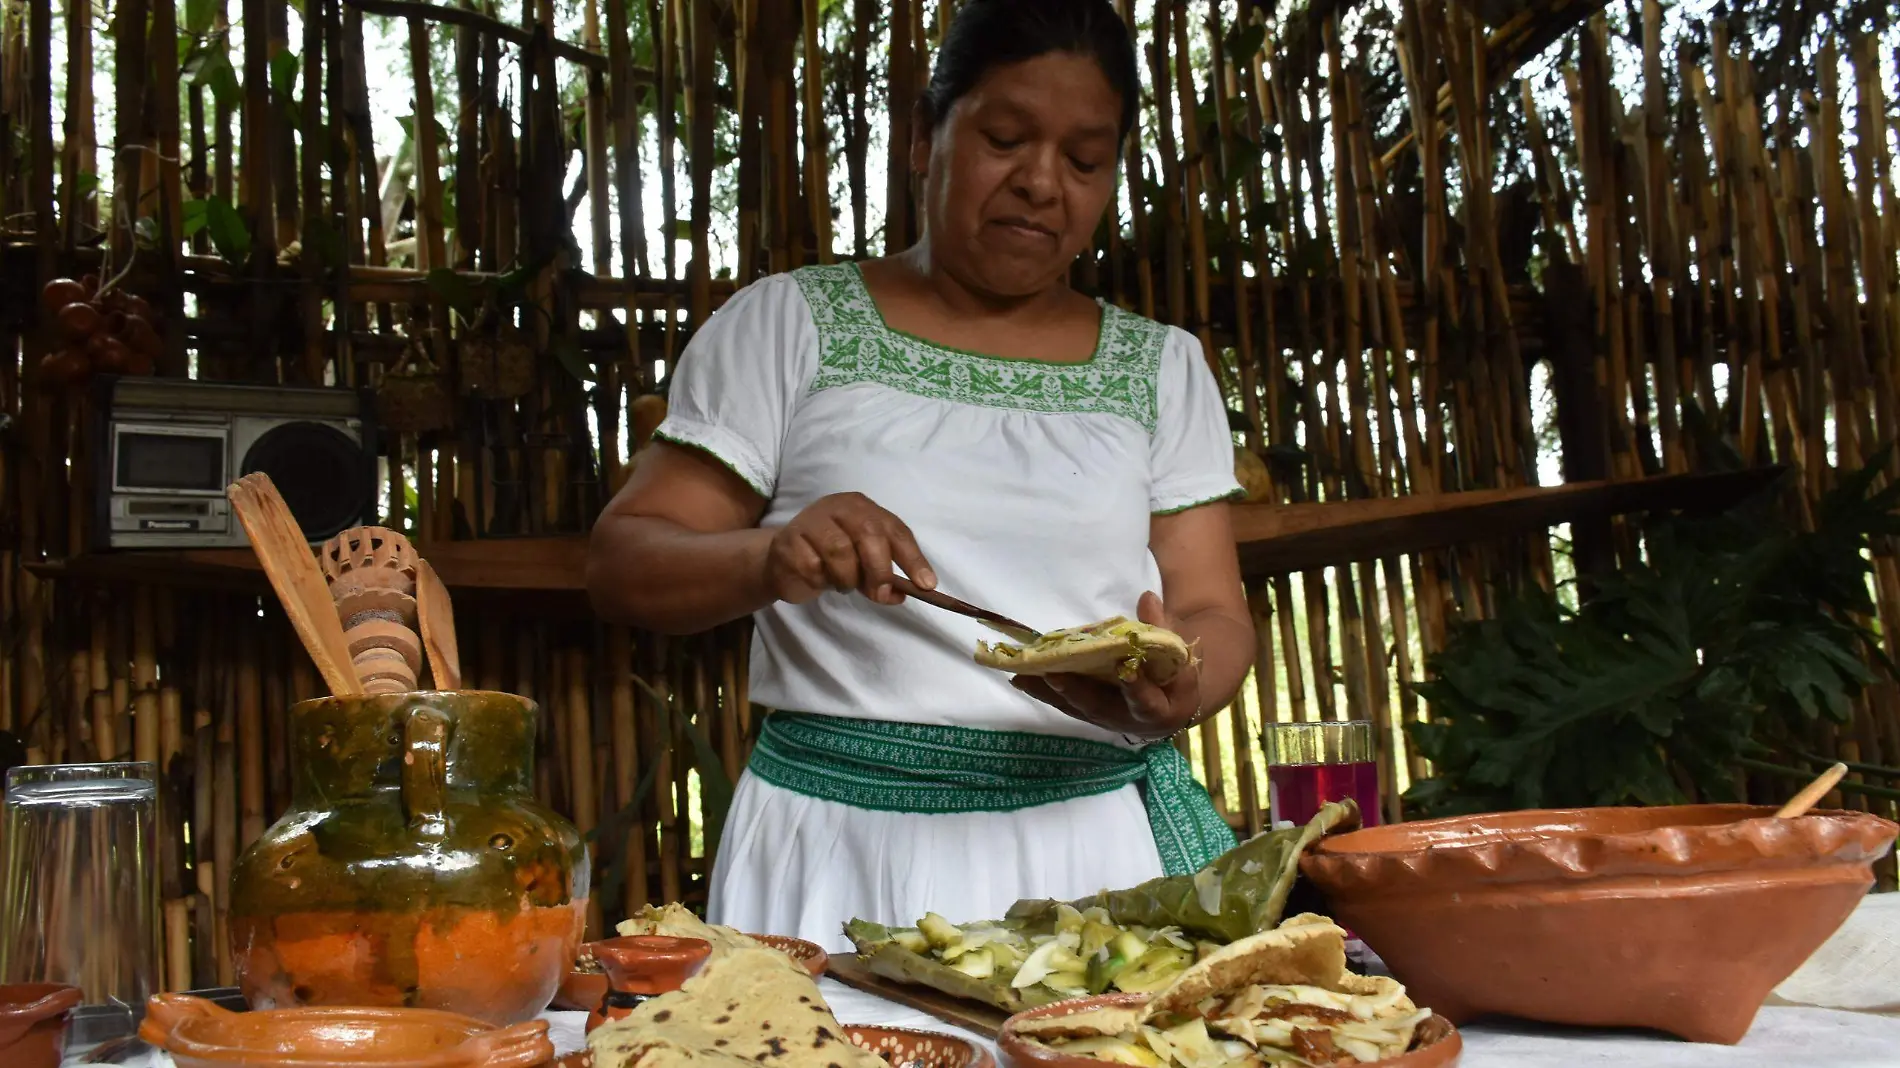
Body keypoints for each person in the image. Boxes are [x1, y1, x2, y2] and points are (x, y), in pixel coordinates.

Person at [587, 0, 1253, 949]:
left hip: (1095, 857)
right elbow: (623, 564)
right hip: (838, 848)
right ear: (922, 137)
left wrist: (1181, 685)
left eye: (1084, 160)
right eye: (1006, 138)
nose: (1040, 183)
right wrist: (773, 556)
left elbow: (1213, 611)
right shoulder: (788, 326)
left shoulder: (1161, 369)